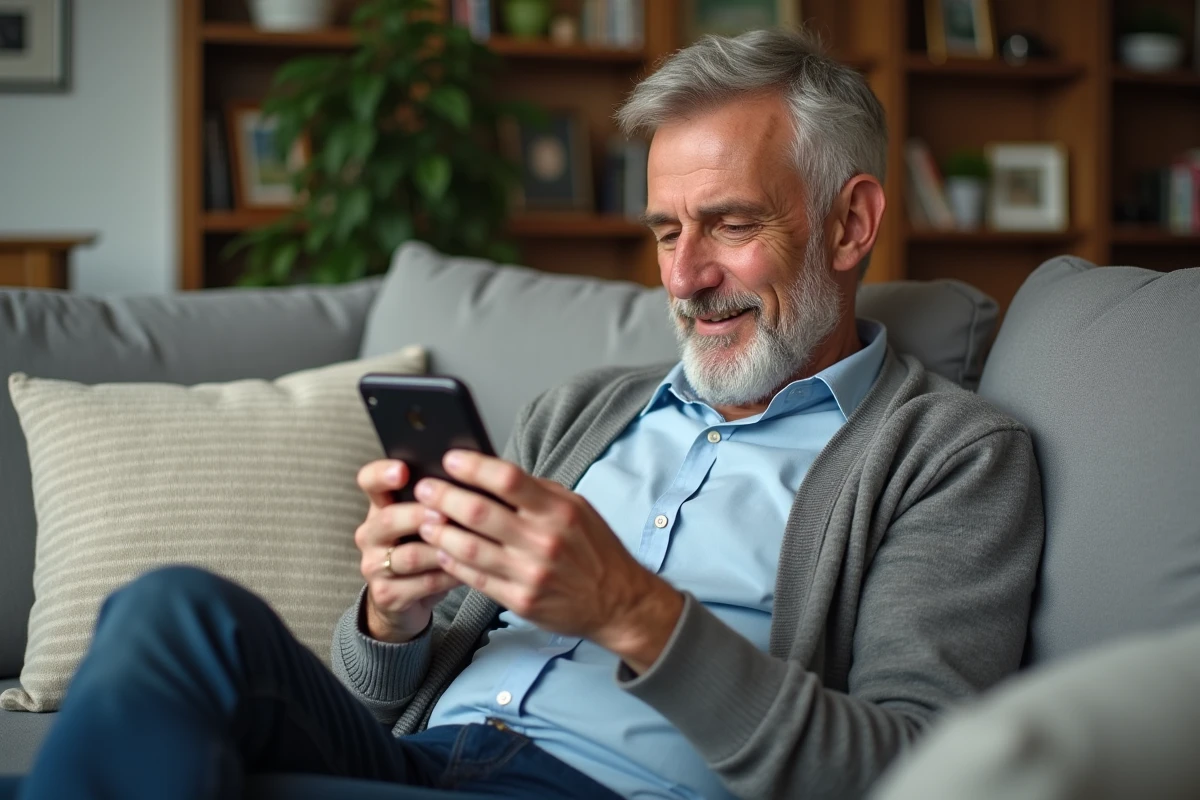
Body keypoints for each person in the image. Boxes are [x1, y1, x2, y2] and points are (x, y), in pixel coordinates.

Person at [7, 28, 1043, 800]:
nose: (684, 277)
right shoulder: (584, 411)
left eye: (730, 225)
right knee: (171, 607)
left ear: (853, 221)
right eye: (664, 229)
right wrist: (392, 616)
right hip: (421, 759)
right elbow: (379, 701)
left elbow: (923, 769)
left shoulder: (948, 454)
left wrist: (630, 608)